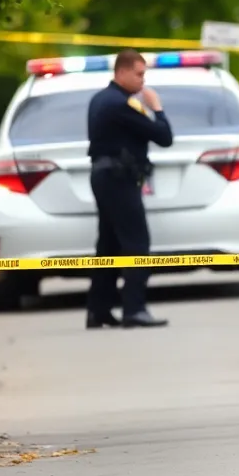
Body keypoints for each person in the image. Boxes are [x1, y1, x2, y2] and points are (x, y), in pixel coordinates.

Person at [85, 49, 174, 330]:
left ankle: (98, 311)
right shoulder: (122, 104)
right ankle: (134, 309)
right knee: (136, 244)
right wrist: (156, 107)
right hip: (120, 179)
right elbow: (164, 137)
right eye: (138, 74)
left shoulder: (100, 100)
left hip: (104, 177)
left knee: (108, 246)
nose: (142, 80)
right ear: (121, 72)